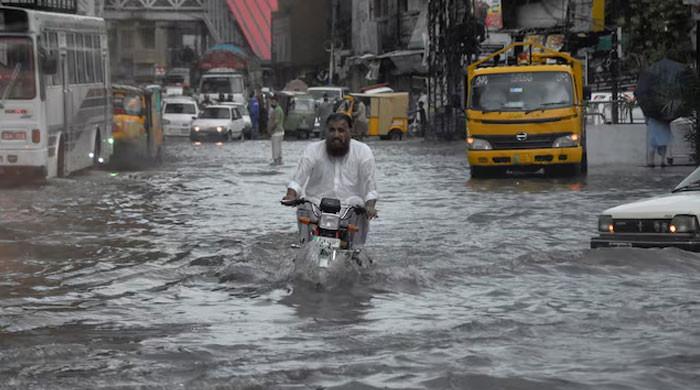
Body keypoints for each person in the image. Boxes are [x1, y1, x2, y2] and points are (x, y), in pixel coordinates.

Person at [282, 113, 378, 246]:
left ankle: (356, 253)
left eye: (341, 130)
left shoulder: (363, 151)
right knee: (303, 206)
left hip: (350, 209)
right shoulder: (313, 150)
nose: (336, 135)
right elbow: (298, 179)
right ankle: (303, 249)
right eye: (332, 130)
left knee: (360, 210)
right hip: (317, 208)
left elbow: (370, 187)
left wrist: (370, 206)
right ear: (325, 131)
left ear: (351, 131)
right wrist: (290, 195)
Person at [269, 95, 285, 165]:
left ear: (275, 101)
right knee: (279, 147)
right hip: (280, 131)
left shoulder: (277, 110)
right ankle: (279, 160)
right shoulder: (280, 109)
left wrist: (271, 129)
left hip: (276, 131)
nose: (271, 103)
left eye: (272, 101)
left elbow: (276, 121)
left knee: (275, 148)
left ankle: (276, 161)